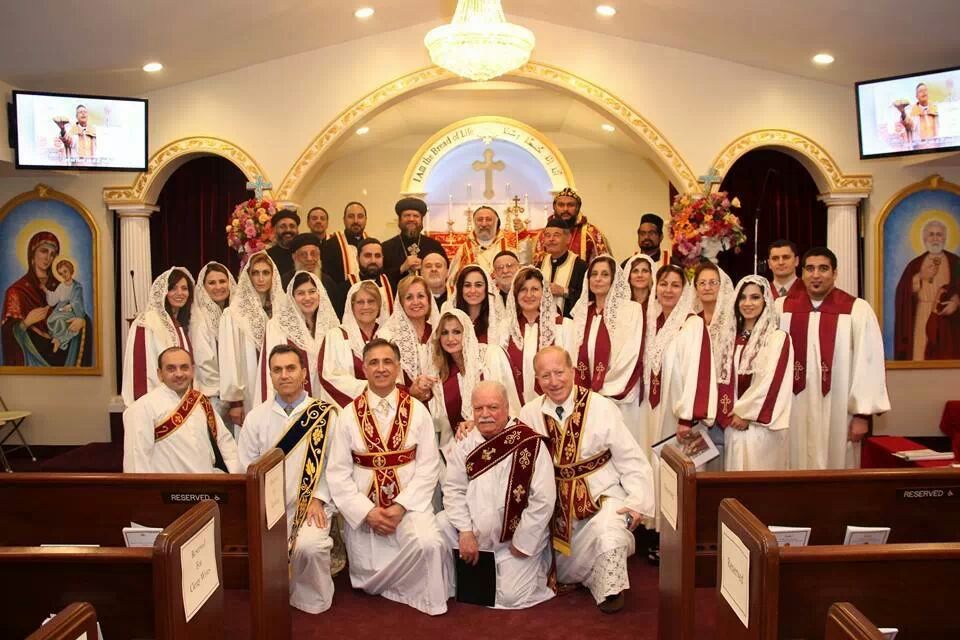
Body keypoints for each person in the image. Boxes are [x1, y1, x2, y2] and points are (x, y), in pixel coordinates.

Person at [518, 346, 654, 613]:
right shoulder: (529, 413)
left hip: (601, 494)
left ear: (573, 371)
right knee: (550, 566)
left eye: (559, 372)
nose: (553, 381)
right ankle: (592, 576)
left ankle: (610, 589)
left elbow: (630, 456)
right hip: (553, 507)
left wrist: (638, 500)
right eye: (545, 376)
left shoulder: (601, 406)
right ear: (536, 379)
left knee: (610, 532)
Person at [325, 338, 453, 615]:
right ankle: (389, 583)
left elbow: (429, 466)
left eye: (387, 362)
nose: (381, 369)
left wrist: (400, 507)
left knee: (430, 544)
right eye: (373, 362)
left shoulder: (418, 411)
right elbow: (338, 473)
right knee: (368, 581)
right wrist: (366, 512)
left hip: (408, 508)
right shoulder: (347, 416)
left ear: (397, 367)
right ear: (364, 369)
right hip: (367, 514)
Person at [438, 381, 555, 610]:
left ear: (507, 407)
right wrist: (465, 531)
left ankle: (505, 572)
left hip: (514, 540)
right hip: (475, 537)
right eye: (478, 409)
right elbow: (453, 489)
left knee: (511, 598)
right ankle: (465, 579)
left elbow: (543, 499)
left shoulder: (530, 443)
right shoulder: (465, 443)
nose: (485, 415)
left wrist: (523, 541)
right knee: (440, 523)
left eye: (493, 407)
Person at [238, 344, 338, 614]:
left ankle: (312, 598)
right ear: (270, 375)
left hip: (310, 505)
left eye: (291, 368)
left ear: (304, 373)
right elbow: (244, 467)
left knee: (310, 546)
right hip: (266, 507)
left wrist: (318, 497)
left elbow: (335, 466)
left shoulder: (326, 415)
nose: (284, 375)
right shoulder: (256, 418)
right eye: (277, 370)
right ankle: (274, 595)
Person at [776, 248, 890, 469]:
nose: (816, 275)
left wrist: (862, 415)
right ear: (802, 273)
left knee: (839, 463)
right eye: (810, 269)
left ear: (835, 273)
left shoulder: (857, 310)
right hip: (792, 408)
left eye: (823, 269)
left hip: (840, 410)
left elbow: (869, 363)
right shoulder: (781, 308)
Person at [123, 347, 241, 474]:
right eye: (171, 368)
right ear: (159, 374)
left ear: (193, 371)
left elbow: (226, 446)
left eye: (184, 367)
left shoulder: (201, 402)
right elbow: (136, 462)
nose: (179, 374)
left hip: (206, 488)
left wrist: (237, 479)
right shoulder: (142, 408)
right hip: (168, 490)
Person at [719, 276, 793, 471]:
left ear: (766, 301)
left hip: (761, 429)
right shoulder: (731, 340)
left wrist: (746, 414)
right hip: (733, 425)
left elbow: (772, 382)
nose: (747, 303)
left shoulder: (777, 338)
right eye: (742, 298)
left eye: (755, 297)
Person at [639, 265, 716, 453]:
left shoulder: (693, 324)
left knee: (677, 471)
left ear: (684, 290)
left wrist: (686, 418)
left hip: (677, 413)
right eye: (663, 284)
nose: (668, 290)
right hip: (649, 410)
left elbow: (697, 373)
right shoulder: (650, 324)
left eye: (675, 285)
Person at [570, 256, 646, 432]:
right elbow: (572, 353)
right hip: (586, 396)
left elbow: (630, 354)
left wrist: (602, 389)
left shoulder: (630, 310)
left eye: (604, 274)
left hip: (617, 395)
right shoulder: (582, 312)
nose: (598, 279)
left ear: (614, 280)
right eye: (594, 274)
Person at [422, 309, 519, 446]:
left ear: (466, 332)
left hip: (500, 440)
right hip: (460, 448)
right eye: (445, 333)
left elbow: (510, 400)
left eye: (457, 332)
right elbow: (438, 422)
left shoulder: (490, 355)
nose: (450, 339)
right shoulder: (440, 372)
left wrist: (478, 422)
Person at [2, 231, 91, 367]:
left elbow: (77, 310)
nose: (48, 257)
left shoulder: (62, 286)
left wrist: (82, 321)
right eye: (44, 251)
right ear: (32, 253)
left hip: (64, 354)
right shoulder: (17, 291)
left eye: (52, 254)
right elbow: (7, 333)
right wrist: (26, 323)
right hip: (32, 359)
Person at [219, 252, 286, 426]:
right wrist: (235, 402)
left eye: (266, 273)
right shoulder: (234, 314)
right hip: (249, 388)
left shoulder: (283, 310)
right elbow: (229, 359)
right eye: (255, 273)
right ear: (248, 277)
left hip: (280, 385)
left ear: (273, 275)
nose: (261, 278)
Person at [257, 271, 340, 405]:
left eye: (312, 291)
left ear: (320, 294)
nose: (307, 298)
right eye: (301, 293)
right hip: (291, 404)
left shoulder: (332, 326)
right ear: (292, 297)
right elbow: (270, 371)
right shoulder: (278, 326)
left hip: (327, 403)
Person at [122, 267, 195, 406]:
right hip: (156, 407)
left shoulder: (178, 323)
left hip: (179, 404)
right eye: (173, 288)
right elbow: (140, 372)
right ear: (162, 291)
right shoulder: (147, 321)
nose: (180, 293)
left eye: (184, 288)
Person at [502, 266, 575, 404]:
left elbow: (571, 370)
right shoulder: (505, 329)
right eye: (523, 290)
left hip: (555, 403)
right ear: (515, 294)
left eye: (535, 289)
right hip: (515, 406)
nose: (529, 295)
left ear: (544, 293)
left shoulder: (563, 326)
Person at [894, 219, 960, 360]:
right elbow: (903, 293)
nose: (935, 238)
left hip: (947, 319)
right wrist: (920, 276)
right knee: (920, 353)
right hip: (922, 314)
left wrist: (956, 302)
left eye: (939, 234)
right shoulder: (915, 264)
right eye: (931, 234)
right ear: (924, 239)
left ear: (945, 238)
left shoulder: (956, 262)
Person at [692, 262, 736, 466]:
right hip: (697, 407)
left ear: (723, 286)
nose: (707, 287)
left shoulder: (734, 321)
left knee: (724, 463)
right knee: (699, 468)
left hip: (726, 404)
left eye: (713, 283)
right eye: (702, 283)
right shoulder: (691, 321)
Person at [319, 280, 388, 408]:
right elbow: (328, 377)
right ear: (352, 306)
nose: (366, 306)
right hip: (348, 414)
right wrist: (368, 388)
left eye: (371, 301)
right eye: (360, 302)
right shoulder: (335, 336)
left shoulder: (388, 336)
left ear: (379, 305)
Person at [189, 262, 236, 422]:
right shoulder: (200, 318)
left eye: (222, 281)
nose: (218, 287)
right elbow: (204, 362)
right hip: (214, 396)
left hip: (233, 394)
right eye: (212, 283)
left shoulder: (230, 314)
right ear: (203, 287)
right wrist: (227, 395)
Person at [377, 275, 440, 388]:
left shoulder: (438, 332)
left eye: (421, 296)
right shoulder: (387, 336)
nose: (415, 302)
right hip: (404, 401)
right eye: (409, 297)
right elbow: (384, 380)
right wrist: (411, 393)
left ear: (429, 300)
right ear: (401, 303)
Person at [447, 206, 530, 286]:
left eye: (488, 219)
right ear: (474, 222)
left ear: (497, 222)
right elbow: (452, 281)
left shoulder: (509, 244)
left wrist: (523, 236)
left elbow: (524, 267)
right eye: (480, 220)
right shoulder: (465, 249)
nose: (484, 224)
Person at [533, 188, 610, 264]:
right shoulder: (543, 235)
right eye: (561, 205)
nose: (565, 209)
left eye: (570, 205)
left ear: (578, 207)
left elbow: (604, 267)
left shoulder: (591, 234)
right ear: (554, 207)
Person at [382, 197, 445, 289]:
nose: (411, 219)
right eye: (407, 215)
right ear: (399, 220)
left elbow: (445, 274)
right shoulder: (386, 247)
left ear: (421, 220)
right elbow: (380, 279)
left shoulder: (434, 246)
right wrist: (401, 268)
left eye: (416, 216)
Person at [444, 264, 508, 345]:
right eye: (467, 285)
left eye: (478, 285)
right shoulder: (450, 317)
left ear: (487, 288)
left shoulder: (498, 323)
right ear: (460, 289)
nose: (473, 290)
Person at [282, 234, 344, 316]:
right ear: (294, 257)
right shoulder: (286, 281)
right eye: (304, 255)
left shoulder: (328, 281)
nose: (309, 258)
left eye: (313, 253)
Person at [536, 218, 587, 318]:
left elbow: (587, 298)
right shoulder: (539, 266)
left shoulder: (580, 267)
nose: (551, 239)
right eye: (547, 235)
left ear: (568, 239)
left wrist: (564, 292)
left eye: (556, 235)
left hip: (570, 324)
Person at [44, 258, 85, 354]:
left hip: (72, 311)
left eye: (65, 271)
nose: (64, 275)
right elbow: (54, 299)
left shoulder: (77, 286)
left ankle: (60, 340)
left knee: (62, 321)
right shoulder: (61, 286)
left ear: (70, 270)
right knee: (52, 320)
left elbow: (78, 301)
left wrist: (71, 305)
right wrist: (46, 291)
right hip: (60, 309)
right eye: (61, 274)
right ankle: (56, 338)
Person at [321, 201, 368, 282]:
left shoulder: (372, 245)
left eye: (360, 216)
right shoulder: (329, 246)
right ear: (344, 220)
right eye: (351, 216)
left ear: (366, 220)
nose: (356, 221)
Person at [351, 238, 395, 315]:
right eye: (368, 256)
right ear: (357, 259)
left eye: (377, 256)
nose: (373, 261)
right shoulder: (346, 286)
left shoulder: (392, 284)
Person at [267, 209, 300, 277]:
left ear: (297, 230)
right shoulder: (267, 257)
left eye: (292, 226)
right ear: (274, 230)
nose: (288, 230)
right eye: (282, 227)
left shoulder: (305, 254)